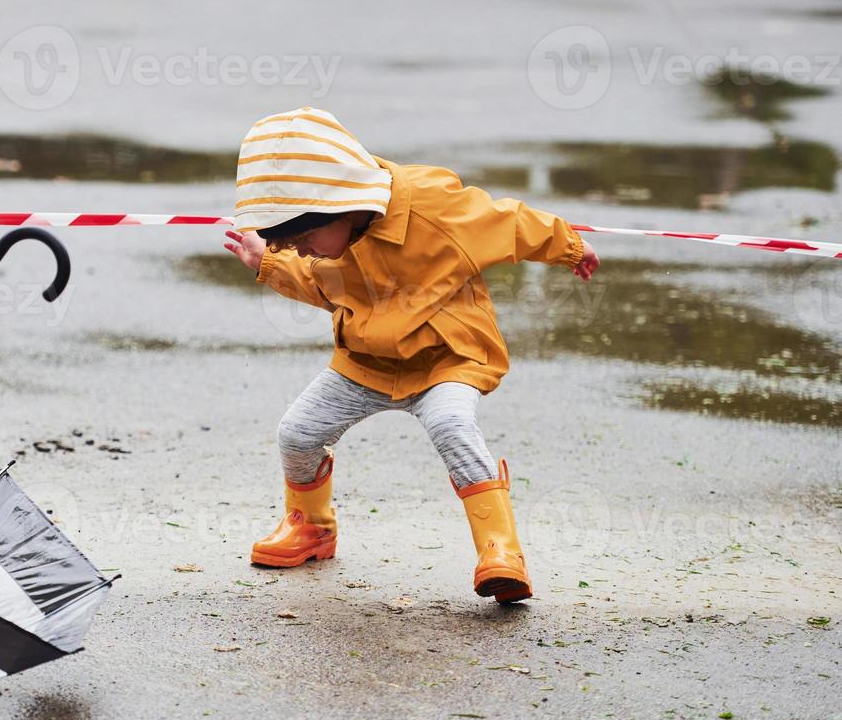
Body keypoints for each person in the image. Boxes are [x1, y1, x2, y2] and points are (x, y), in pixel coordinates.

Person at [223, 107, 599, 603]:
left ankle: (500, 551)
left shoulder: (430, 205)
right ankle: (311, 527)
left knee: (451, 426)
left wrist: (569, 247)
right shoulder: (330, 244)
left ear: (339, 205)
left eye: (304, 238)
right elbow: (323, 287)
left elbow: (508, 221)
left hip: (448, 358)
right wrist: (272, 264)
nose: (303, 251)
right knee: (297, 433)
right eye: (291, 244)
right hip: (366, 362)